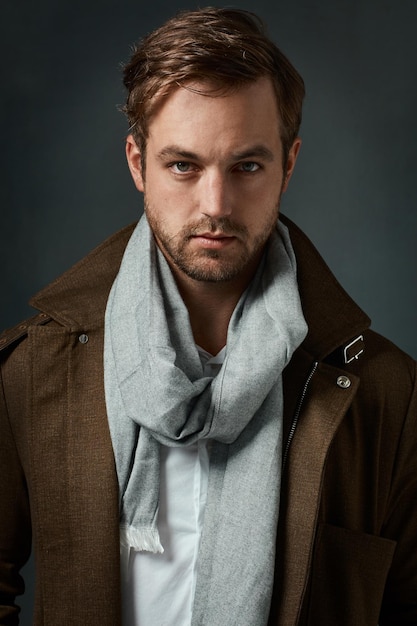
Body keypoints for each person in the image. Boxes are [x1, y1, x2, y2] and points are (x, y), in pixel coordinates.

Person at [0, 7, 416, 626]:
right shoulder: (33, 368)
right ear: (138, 164)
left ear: (289, 164)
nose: (215, 204)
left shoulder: (383, 391)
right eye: (183, 165)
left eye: (246, 166)